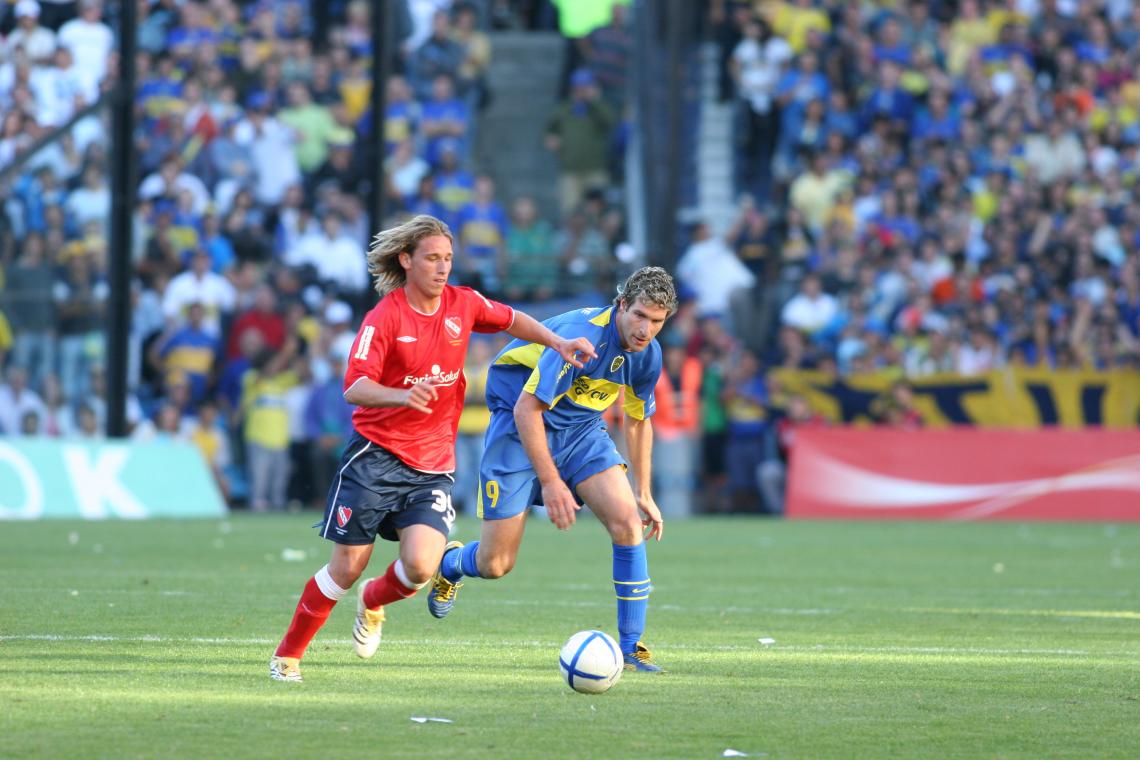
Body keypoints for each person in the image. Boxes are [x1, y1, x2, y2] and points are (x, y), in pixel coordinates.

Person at [269, 215, 596, 682]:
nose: (443, 268)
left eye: (448, 259)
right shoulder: (384, 318)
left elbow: (512, 319)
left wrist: (558, 341)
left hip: (433, 464)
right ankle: (288, 656)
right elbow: (354, 386)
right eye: (432, 258)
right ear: (407, 260)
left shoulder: (462, 304)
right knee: (346, 567)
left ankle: (372, 602)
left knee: (421, 566)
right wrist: (402, 395)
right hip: (375, 456)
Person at [425, 266, 678, 673]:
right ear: (621, 305)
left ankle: (631, 648)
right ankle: (453, 563)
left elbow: (637, 419)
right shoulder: (585, 337)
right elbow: (529, 409)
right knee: (495, 564)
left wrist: (643, 489)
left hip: (580, 430)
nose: (645, 329)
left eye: (657, 321)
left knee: (628, 523)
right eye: (640, 316)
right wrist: (551, 481)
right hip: (519, 423)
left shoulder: (647, 355)